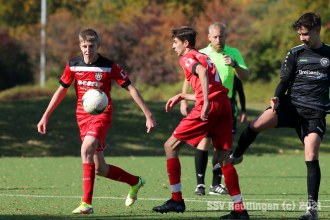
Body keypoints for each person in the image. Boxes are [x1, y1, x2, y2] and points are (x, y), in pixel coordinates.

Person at [37, 28, 157, 214]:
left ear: (97, 46)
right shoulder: (73, 64)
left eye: (91, 46)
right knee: (100, 168)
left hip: (102, 115)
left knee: (86, 149)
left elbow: (130, 88)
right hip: (82, 118)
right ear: (80, 46)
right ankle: (135, 182)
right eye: (84, 46)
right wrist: (45, 115)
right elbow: (61, 90)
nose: (87, 50)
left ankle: (86, 203)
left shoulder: (109, 66)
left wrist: (148, 114)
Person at [231, 12, 330, 220]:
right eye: (299, 34)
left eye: (305, 34)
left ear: (317, 30)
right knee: (256, 124)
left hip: (314, 112)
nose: (302, 38)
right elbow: (284, 80)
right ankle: (238, 155)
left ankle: (312, 210)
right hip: (291, 105)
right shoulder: (295, 53)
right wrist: (276, 97)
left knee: (311, 154)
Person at [152, 26, 249, 219]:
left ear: (185, 43)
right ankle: (239, 210)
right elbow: (212, 86)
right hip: (224, 104)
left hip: (211, 104)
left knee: (170, 146)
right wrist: (182, 95)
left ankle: (176, 199)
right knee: (223, 158)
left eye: (175, 42)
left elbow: (203, 74)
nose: (173, 47)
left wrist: (203, 102)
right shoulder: (204, 56)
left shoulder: (187, 57)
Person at [180, 22, 249, 196]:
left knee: (223, 146)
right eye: (215, 37)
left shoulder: (234, 53)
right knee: (204, 142)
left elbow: (246, 77)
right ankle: (200, 184)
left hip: (227, 105)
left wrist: (234, 65)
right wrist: (183, 99)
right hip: (206, 103)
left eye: (222, 36)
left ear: (226, 36)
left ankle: (216, 185)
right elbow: (188, 78)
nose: (219, 39)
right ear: (209, 37)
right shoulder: (201, 53)